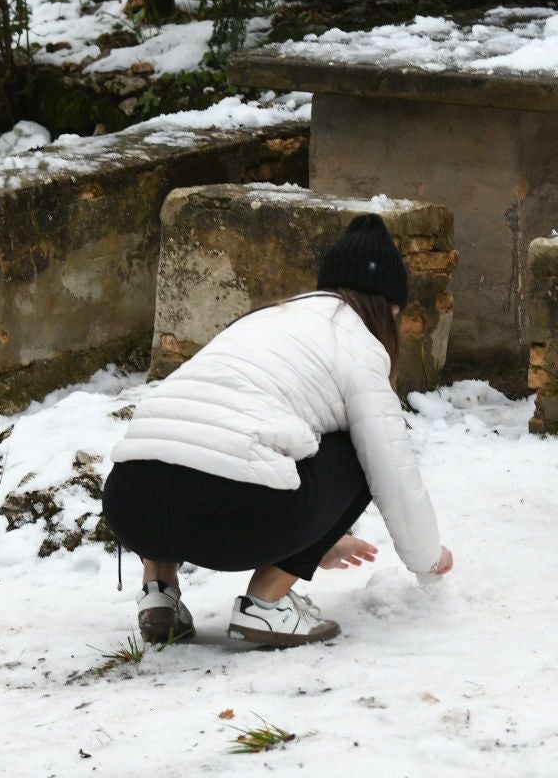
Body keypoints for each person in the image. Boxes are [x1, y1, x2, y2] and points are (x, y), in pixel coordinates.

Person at [100, 214, 453, 647]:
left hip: (131, 505)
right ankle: (267, 606)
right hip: (231, 516)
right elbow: (391, 469)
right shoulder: (360, 345)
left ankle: (159, 593)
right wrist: (428, 560)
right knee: (362, 447)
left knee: (182, 436)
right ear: (386, 308)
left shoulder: (257, 322)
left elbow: (208, 440)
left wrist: (321, 537)